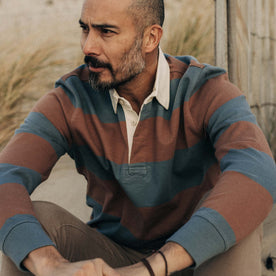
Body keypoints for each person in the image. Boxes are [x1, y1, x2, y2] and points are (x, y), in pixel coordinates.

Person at [0, 0, 275, 275]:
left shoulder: (206, 90)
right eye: (85, 29)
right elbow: (5, 176)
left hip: (199, 259)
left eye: (106, 32)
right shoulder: (70, 98)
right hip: (113, 260)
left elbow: (257, 170)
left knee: (239, 217)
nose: (88, 47)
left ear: (150, 38)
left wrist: (152, 268)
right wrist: (48, 264)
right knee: (30, 225)